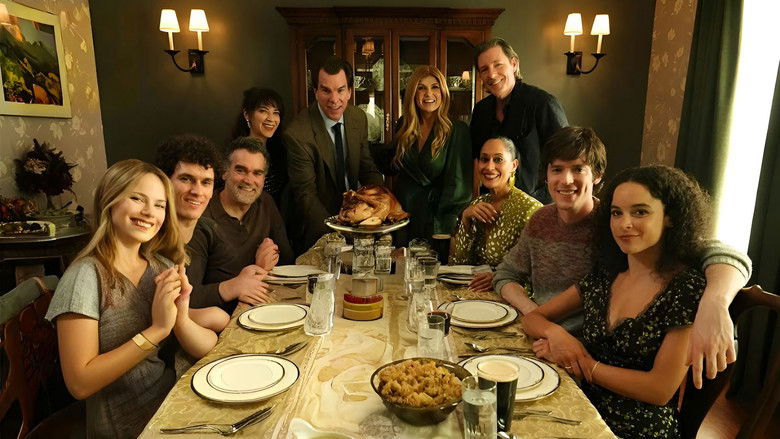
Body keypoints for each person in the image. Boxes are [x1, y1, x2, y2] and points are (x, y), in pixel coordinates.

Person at [494, 126, 751, 385]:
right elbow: (506, 274)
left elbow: (720, 253)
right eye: (557, 169)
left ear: (597, 175)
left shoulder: (618, 227)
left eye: (578, 169)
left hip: (595, 353)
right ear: (547, 175)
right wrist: (540, 317)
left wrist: (716, 301)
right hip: (547, 338)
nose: (566, 180)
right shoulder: (546, 221)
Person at [522, 165, 713, 438]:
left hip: (639, 426)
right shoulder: (607, 274)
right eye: (616, 213)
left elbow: (659, 390)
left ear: (670, 217)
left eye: (640, 212)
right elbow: (533, 318)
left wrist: (584, 364)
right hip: (581, 406)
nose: (624, 224)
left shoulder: (686, 287)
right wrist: (559, 336)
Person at [45, 160, 220, 438]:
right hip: (127, 427)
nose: (149, 212)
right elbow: (80, 383)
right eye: (137, 198)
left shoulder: (160, 266)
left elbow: (208, 346)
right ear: (110, 200)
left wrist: (181, 317)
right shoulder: (85, 277)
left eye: (160, 205)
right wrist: (157, 330)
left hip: (171, 405)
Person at [155, 135, 276, 313]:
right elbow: (184, 301)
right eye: (186, 179)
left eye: (206, 182)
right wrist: (237, 285)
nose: (197, 191)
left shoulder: (264, 203)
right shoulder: (160, 236)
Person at [283, 56, 384, 252]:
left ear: (350, 91)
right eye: (326, 90)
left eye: (340, 90)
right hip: (317, 227)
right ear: (315, 91)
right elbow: (306, 196)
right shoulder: (297, 134)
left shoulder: (358, 117)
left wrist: (381, 205)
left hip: (355, 217)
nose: (334, 99)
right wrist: (339, 235)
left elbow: (367, 168)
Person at [470, 38, 568, 203]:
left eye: (498, 65)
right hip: (493, 205)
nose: (491, 74)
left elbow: (566, 159)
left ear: (514, 64)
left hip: (537, 205)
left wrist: (543, 203)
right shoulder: (481, 111)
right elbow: (476, 161)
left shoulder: (543, 103)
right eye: (484, 69)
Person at [387, 65, 471, 246]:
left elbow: (457, 187)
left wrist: (444, 229)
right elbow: (392, 164)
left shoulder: (457, 130)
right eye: (421, 88)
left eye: (435, 87)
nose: (428, 94)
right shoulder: (404, 125)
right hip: (402, 216)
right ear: (413, 93)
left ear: (443, 92)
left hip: (435, 219)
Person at [451, 136, 541, 291]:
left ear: (514, 165)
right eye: (484, 159)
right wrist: (466, 218)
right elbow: (460, 264)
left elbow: (539, 272)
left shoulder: (530, 209)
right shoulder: (477, 204)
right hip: (474, 293)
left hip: (511, 297)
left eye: (498, 160)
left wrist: (499, 277)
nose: (489, 167)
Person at [203, 137, 293, 274]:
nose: (249, 180)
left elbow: (287, 261)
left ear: (264, 178)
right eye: (240, 170)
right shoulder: (203, 216)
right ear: (224, 172)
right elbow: (192, 286)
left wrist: (272, 254)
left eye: (257, 173)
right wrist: (259, 269)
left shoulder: (265, 202)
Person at [231, 87, 288, 206]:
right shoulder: (234, 154)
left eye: (276, 113)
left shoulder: (281, 154)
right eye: (263, 111)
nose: (271, 119)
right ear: (247, 114)